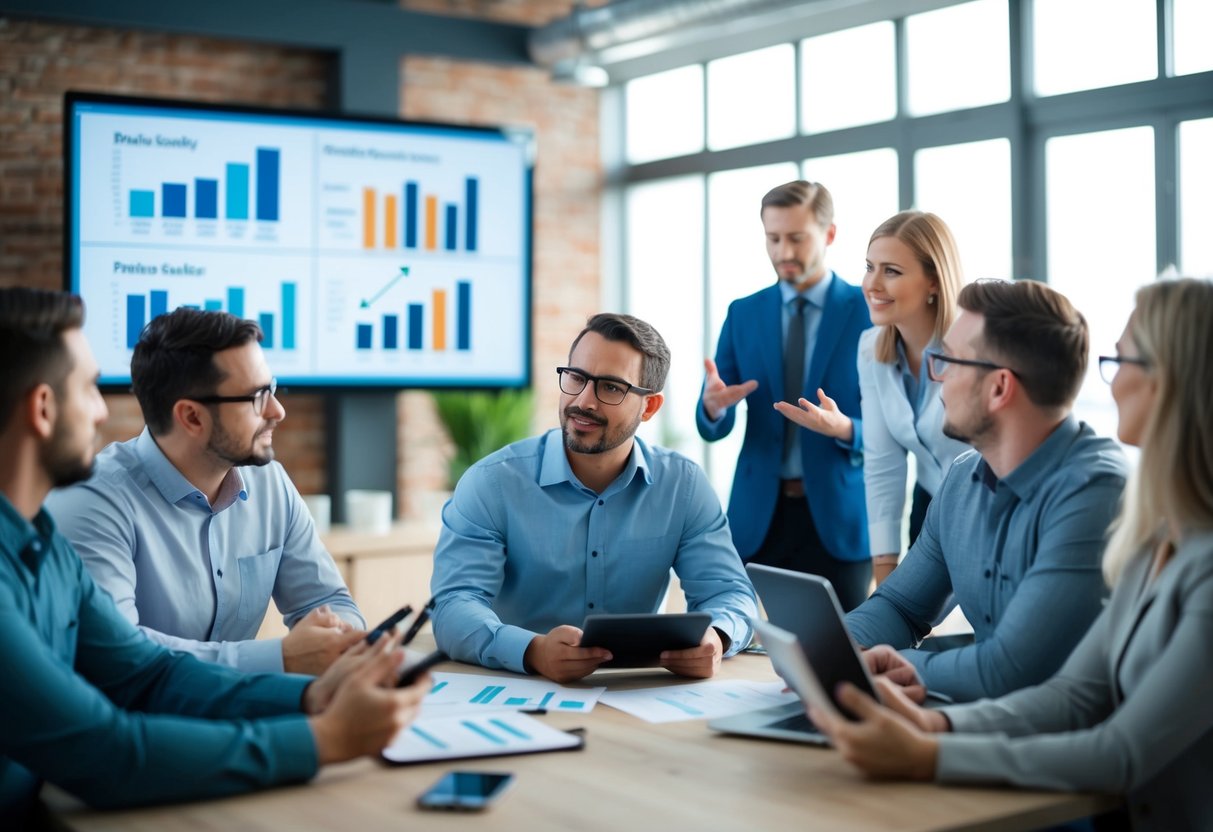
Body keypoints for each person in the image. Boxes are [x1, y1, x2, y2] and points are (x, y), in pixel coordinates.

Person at [0, 287, 427, 826]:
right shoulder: (74, 517)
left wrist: (313, 697)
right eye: (87, 388)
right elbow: (108, 752)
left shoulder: (39, 541)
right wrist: (322, 738)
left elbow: (147, 673)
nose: (103, 410)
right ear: (42, 408)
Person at [810, 278, 1213, 832]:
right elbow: (1074, 694)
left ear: (1172, 381)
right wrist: (933, 729)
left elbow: (1119, 750)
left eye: (1122, 360)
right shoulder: (1158, 533)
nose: (1112, 382)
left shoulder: (1130, 511)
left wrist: (930, 749)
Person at [431, 313, 758, 683]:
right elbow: (453, 607)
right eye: (576, 377)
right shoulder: (491, 483)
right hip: (519, 688)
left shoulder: (682, 486)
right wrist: (533, 651)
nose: (584, 400)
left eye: (611, 387)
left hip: (637, 695)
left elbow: (731, 594)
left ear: (649, 407)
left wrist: (716, 637)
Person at [844, 279, 1128, 702]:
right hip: (984, 730)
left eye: (951, 362)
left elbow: (1010, 671)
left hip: (1060, 754)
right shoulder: (962, 478)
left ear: (999, 388)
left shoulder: (1095, 493)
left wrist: (885, 668)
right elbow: (901, 607)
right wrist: (836, 650)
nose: (938, 378)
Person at [46, 308, 364, 675]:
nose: (277, 411)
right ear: (192, 417)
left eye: (273, 388)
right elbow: (118, 656)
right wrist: (282, 658)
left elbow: (328, 600)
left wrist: (339, 639)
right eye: (257, 397)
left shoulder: (271, 484)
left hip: (237, 712)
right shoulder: (94, 500)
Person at [696, 180, 872, 610]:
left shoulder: (867, 312)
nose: (783, 252)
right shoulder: (743, 313)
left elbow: (893, 429)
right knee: (745, 652)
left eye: (797, 238)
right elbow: (712, 422)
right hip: (759, 518)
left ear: (829, 235)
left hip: (837, 518)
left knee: (845, 656)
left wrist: (845, 428)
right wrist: (713, 407)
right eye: (772, 239)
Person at [779, 211, 970, 585]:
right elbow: (883, 462)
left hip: (993, 506)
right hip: (932, 502)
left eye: (892, 271)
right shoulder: (872, 348)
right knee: (899, 620)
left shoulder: (972, 348)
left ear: (934, 281)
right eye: (870, 267)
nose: (871, 284)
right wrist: (884, 577)